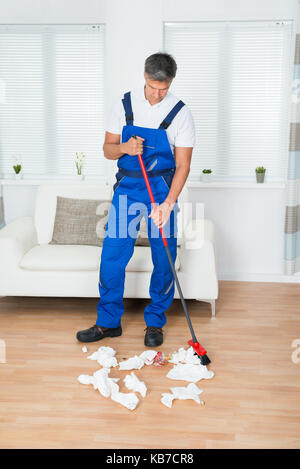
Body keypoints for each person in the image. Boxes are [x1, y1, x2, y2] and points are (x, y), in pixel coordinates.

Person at [76, 52, 195, 347]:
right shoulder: (124, 104)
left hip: (161, 191)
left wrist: (168, 203)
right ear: (145, 76)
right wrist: (125, 147)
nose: (157, 94)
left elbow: (183, 165)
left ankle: (155, 322)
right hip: (128, 188)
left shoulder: (180, 112)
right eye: (154, 87)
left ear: (171, 83)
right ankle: (108, 322)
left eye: (164, 89)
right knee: (112, 255)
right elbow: (107, 149)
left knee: (164, 257)